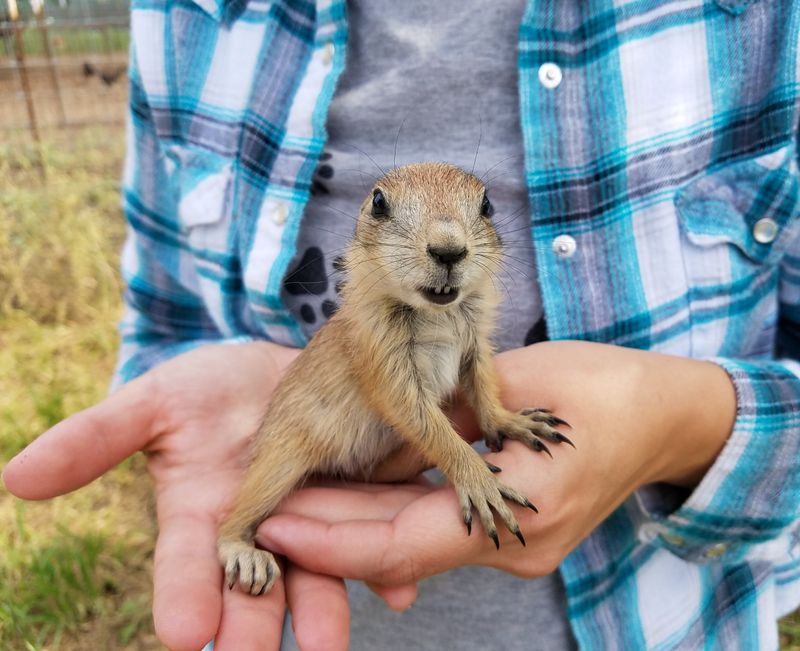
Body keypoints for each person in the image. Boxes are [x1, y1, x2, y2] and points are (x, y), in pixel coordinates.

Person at [4, 1, 800, 649]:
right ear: (365, 234)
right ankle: (238, 533)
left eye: (473, 224)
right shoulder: (186, 16)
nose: (448, 248)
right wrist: (467, 468)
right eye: (393, 219)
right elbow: (405, 405)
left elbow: (472, 361)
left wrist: (666, 422)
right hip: (302, 544)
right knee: (277, 466)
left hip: (660, 619)